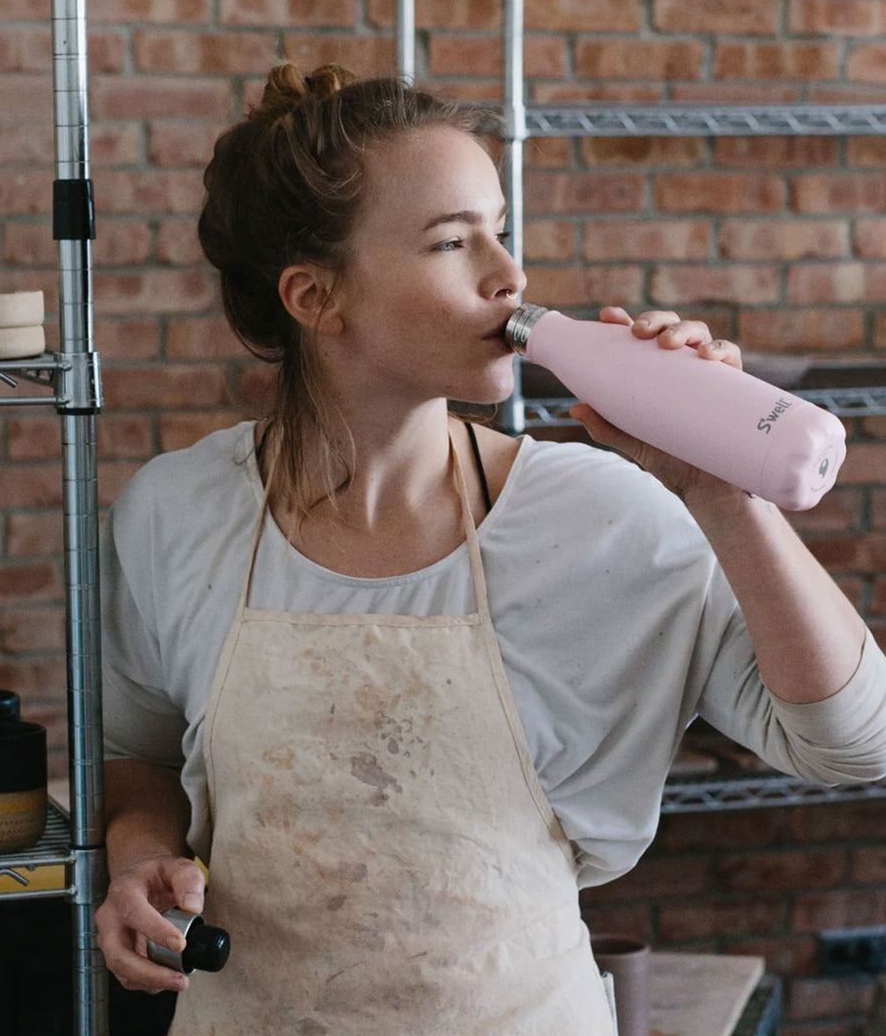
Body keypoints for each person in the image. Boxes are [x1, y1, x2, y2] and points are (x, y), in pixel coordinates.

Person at [95, 63, 886, 1036]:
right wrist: (139, 861)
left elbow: (854, 747)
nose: (509, 274)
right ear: (315, 296)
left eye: (500, 228)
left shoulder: (603, 518)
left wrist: (719, 494)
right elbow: (134, 757)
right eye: (451, 241)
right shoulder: (173, 514)